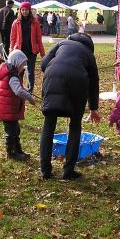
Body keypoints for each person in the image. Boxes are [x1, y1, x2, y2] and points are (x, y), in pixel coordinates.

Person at [39, 33, 101, 180]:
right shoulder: (88, 54)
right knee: (75, 126)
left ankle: (45, 171)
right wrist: (93, 108)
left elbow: (43, 64)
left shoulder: (61, 44)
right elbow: (94, 83)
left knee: (49, 125)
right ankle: (68, 171)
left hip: (52, 78)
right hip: (77, 84)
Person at [0, 49, 36, 160]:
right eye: (22, 65)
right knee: (11, 132)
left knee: (16, 130)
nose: (23, 67)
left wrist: (26, 91)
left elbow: (18, 88)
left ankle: (18, 150)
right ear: (17, 63)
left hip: (9, 109)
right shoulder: (12, 76)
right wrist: (30, 98)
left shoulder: (9, 72)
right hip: (8, 110)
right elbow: (18, 91)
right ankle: (12, 153)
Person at [9, 2, 45, 93]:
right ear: (20, 11)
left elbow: (39, 39)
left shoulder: (35, 22)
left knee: (30, 72)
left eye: (26, 10)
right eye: (23, 10)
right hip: (19, 51)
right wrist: (11, 50)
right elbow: (12, 38)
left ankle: (29, 91)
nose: (24, 11)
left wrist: (42, 53)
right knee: (19, 72)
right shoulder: (16, 22)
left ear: (30, 10)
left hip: (31, 51)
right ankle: (19, 89)